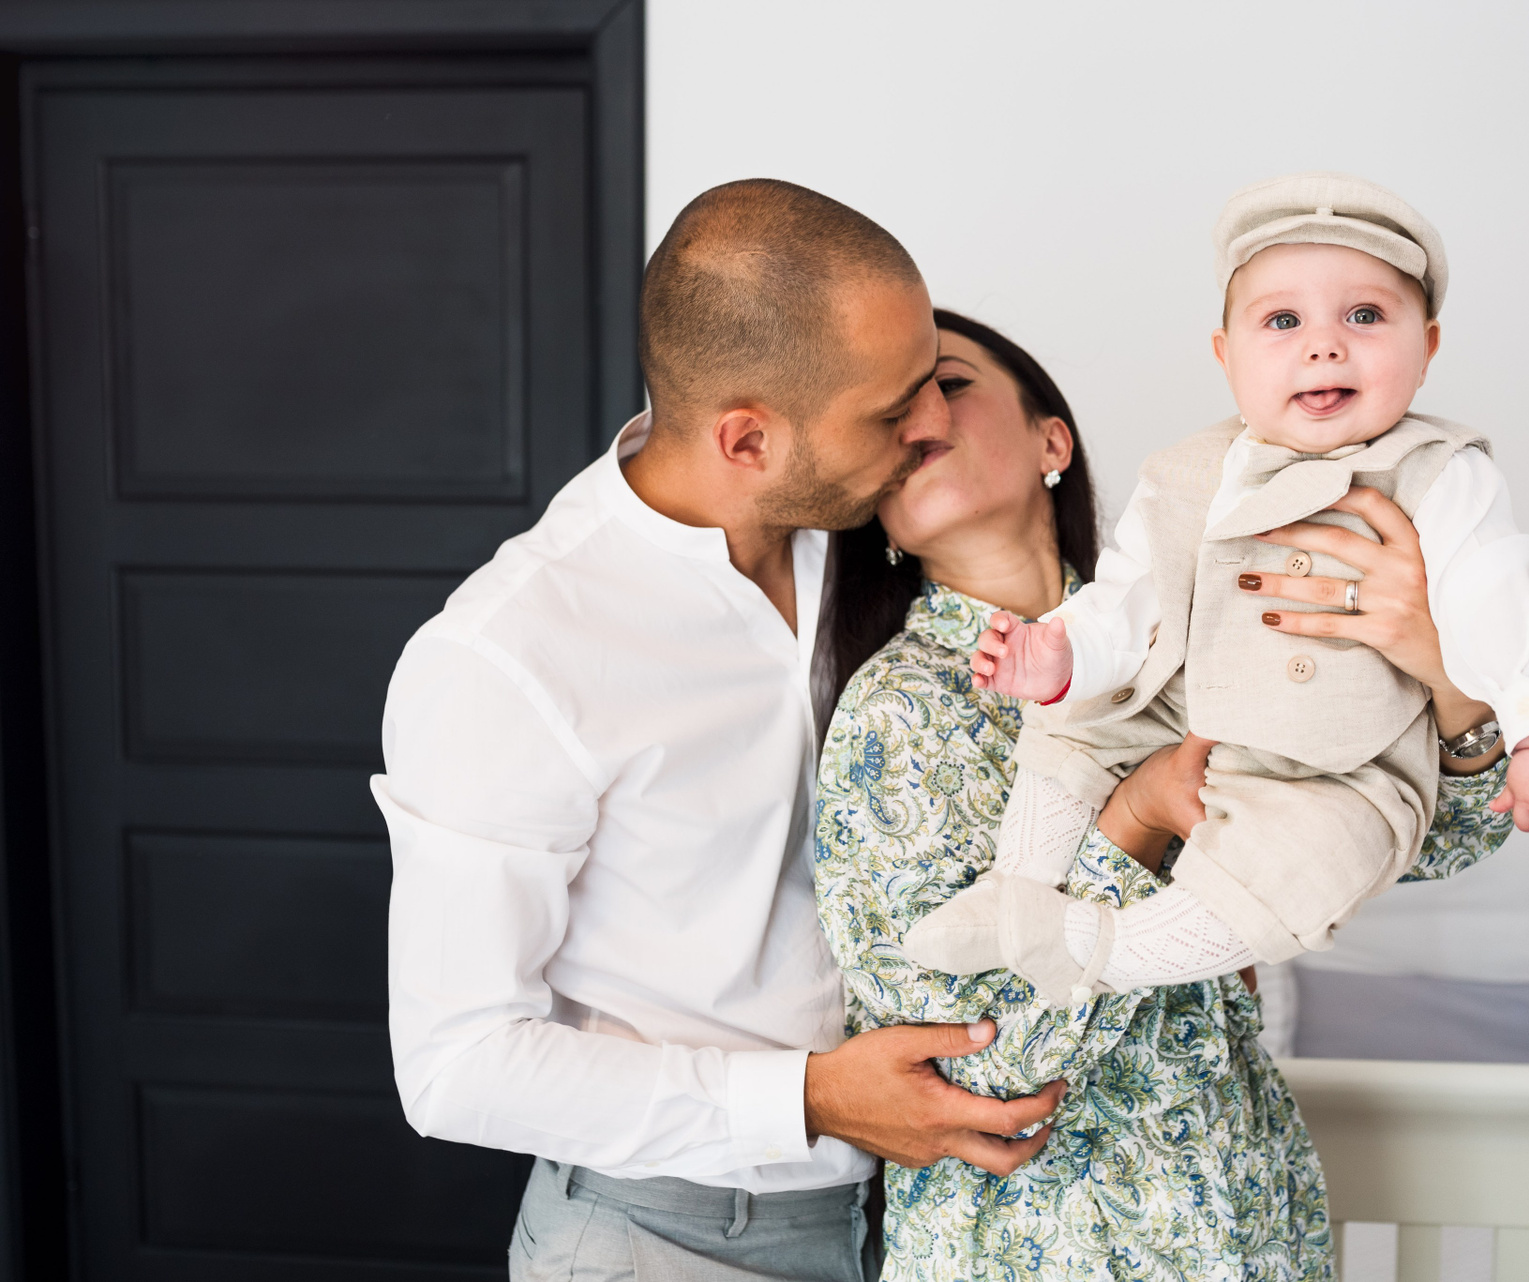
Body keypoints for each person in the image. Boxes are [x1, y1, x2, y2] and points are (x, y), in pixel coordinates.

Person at [377, 180, 1070, 1282]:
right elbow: (456, 1066)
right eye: (894, 410)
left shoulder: (873, 533)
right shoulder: (509, 655)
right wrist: (811, 1098)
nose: (931, 428)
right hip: (663, 1241)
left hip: (917, 1222)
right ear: (748, 439)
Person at [813, 309, 1519, 1277]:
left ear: (1052, 442)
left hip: (1245, 1221)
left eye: (951, 382)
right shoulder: (896, 711)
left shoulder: (1197, 624)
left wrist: (1440, 667)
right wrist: (1131, 824)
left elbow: (1431, 839)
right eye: (888, 412)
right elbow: (964, 1070)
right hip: (1041, 1251)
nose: (920, 417)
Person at [906, 173, 1529, 1008]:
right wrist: (1065, 654)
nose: (1324, 346)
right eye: (1282, 321)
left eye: (1365, 316)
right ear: (1225, 356)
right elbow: (1128, 598)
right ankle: (1018, 887)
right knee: (1076, 719)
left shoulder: (1440, 474)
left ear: (1428, 348)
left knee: (1310, 855)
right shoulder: (1186, 471)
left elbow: (1502, 602)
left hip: (1333, 752)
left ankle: (1100, 946)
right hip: (1182, 701)